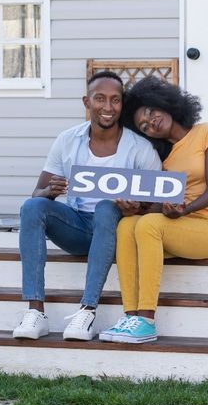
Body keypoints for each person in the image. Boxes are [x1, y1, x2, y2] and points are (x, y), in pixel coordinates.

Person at [12, 71, 161, 341]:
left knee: (106, 207)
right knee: (31, 207)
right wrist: (49, 191)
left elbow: (157, 206)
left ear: (122, 105)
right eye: (100, 99)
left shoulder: (140, 148)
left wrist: (135, 208)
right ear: (86, 102)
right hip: (77, 226)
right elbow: (37, 192)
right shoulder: (68, 140)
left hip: (115, 229)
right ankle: (35, 311)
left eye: (115, 100)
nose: (107, 107)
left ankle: (87, 311)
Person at [99, 76, 208, 344]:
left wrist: (184, 210)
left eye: (150, 112)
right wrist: (135, 207)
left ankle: (146, 320)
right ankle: (131, 316)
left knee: (148, 225)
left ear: (163, 103)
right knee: (127, 225)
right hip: (177, 227)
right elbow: (159, 205)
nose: (151, 122)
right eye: (144, 126)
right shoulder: (164, 159)